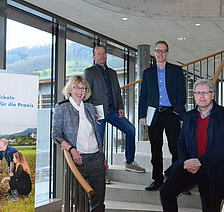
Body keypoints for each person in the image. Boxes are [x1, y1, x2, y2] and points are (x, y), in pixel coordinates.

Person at [160, 79, 224, 212]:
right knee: (166, 192)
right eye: (198, 93)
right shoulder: (188, 116)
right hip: (190, 166)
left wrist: (200, 161)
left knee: (210, 207)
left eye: (206, 92)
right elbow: (181, 142)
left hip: (212, 168)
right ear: (194, 95)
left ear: (212, 95)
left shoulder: (222, 115)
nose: (202, 96)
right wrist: (187, 161)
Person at [84, 45, 145, 173]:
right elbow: (87, 93)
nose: (102, 56)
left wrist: (121, 107)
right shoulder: (89, 72)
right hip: (97, 112)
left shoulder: (112, 72)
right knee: (99, 141)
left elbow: (117, 92)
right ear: (94, 57)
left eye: (104, 54)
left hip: (113, 110)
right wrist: (91, 112)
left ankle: (129, 162)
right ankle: (100, 172)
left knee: (130, 129)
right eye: (99, 54)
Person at [52, 75, 106, 212]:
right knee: (79, 201)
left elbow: (96, 135)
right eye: (76, 87)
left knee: (99, 201)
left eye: (83, 88)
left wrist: (103, 156)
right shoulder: (62, 108)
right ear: (70, 89)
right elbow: (56, 135)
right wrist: (72, 149)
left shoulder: (90, 107)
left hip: (96, 159)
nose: (80, 91)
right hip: (78, 160)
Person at [138, 40, 186, 191]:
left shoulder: (176, 70)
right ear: (154, 53)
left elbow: (182, 93)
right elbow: (143, 95)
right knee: (155, 149)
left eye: (163, 51)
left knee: (175, 148)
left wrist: (177, 111)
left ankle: (178, 180)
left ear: (167, 53)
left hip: (171, 113)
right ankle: (157, 180)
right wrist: (142, 115)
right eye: (158, 51)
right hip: (154, 114)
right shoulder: (148, 73)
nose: (160, 54)